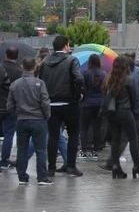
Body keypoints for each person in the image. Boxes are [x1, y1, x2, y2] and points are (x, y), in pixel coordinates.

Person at [38, 35, 84, 177]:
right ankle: (71, 166)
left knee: (53, 136)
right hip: (69, 103)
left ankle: (51, 168)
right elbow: (79, 78)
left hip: (51, 103)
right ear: (65, 46)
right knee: (73, 133)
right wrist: (79, 94)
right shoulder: (71, 60)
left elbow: (40, 80)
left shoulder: (45, 62)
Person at [102, 56, 139, 179]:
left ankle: (116, 166)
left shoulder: (109, 78)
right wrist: (130, 108)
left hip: (112, 113)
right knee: (133, 139)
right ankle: (137, 167)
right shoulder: (129, 79)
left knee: (116, 140)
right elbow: (134, 97)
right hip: (125, 111)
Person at [8, 58, 51, 185]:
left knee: (22, 149)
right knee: (41, 150)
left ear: (22, 67)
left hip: (22, 120)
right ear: (34, 67)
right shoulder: (40, 83)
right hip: (38, 120)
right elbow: (45, 102)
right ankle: (42, 177)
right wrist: (46, 115)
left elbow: (10, 105)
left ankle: (22, 177)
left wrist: (17, 114)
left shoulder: (15, 84)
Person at [0, 47, 24, 169]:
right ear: (17, 56)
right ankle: (4, 161)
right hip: (11, 106)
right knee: (9, 134)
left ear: (5, 54)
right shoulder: (20, 71)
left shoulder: (1, 66)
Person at [79, 54, 105, 162]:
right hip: (99, 104)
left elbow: (82, 88)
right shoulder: (103, 74)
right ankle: (95, 151)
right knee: (97, 128)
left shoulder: (85, 73)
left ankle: (84, 151)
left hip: (86, 103)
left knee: (84, 128)